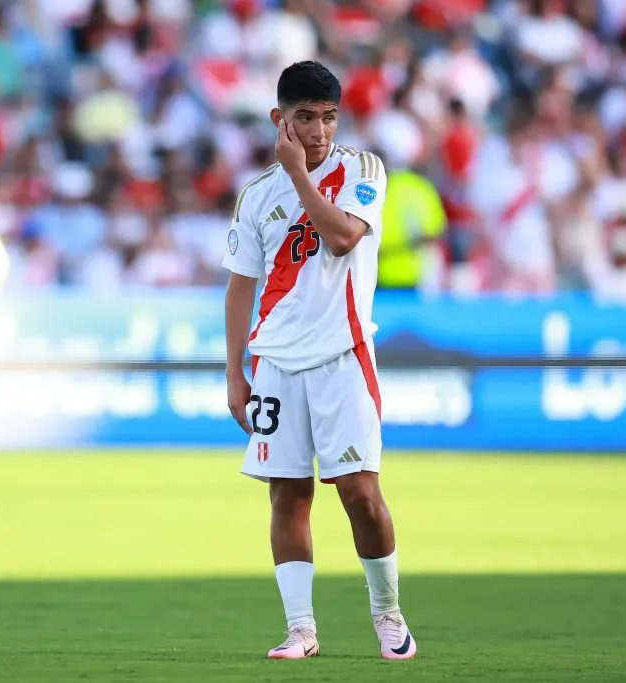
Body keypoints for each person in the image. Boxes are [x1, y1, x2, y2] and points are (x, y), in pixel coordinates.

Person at [222, 61, 416, 661]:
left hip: (343, 357)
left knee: (360, 493)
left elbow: (341, 237)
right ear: (280, 120)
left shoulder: (363, 169)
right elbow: (239, 287)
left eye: (329, 117)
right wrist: (235, 372)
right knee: (287, 496)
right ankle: (300, 627)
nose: (320, 130)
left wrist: (301, 177)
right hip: (277, 364)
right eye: (305, 117)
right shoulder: (256, 197)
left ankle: (387, 612)